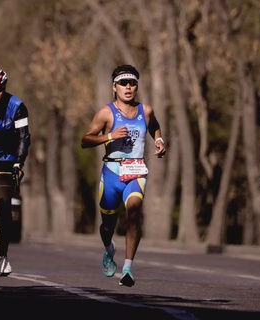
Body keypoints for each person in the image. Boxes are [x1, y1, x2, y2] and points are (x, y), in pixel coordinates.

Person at [81, 64, 166, 286]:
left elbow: (154, 126)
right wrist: (109, 136)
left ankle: (127, 268)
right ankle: (109, 248)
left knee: (134, 214)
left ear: (137, 86)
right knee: (107, 225)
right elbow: (85, 140)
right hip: (111, 172)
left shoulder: (145, 111)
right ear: (114, 87)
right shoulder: (106, 113)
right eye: (123, 83)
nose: (128, 87)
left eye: (132, 83)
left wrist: (159, 140)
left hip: (136, 171)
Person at [0, 68, 31, 275]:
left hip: (7, 159)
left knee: (4, 208)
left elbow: (23, 137)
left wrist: (18, 163)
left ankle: (2, 257)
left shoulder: (17, 107)